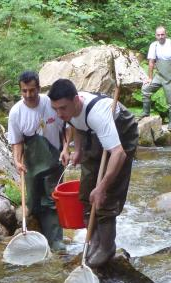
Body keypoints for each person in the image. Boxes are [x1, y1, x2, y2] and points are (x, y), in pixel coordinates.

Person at [48, 79, 139, 268]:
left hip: (121, 129)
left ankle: (106, 247)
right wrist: (79, 150)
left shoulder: (98, 114)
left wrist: (103, 187)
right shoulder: (68, 111)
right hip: (93, 132)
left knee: (105, 194)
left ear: (75, 100)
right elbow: (76, 125)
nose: (59, 113)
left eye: (62, 108)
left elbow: (118, 153)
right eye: (55, 109)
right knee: (87, 191)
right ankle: (94, 242)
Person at [7, 71, 65, 251]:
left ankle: (56, 241)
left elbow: (67, 126)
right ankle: (37, 240)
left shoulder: (51, 104)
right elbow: (17, 141)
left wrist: (66, 149)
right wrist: (17, 161)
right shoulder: (16, 112)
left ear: (39, 88)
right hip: (31, 165)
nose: (28, 95)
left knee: (53, 201)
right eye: (24, 91)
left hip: (55, 162)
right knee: (33, 203)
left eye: (32, 90)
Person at [141, 26, 171, 130]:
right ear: (155, 35)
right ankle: (145, 113)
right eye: (158, 35)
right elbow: (151, 62)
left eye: (162, 34)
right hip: (160, 75)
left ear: (166, 34)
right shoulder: (154, 45)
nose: (160, 37)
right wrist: (150, 78)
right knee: (145, 89)